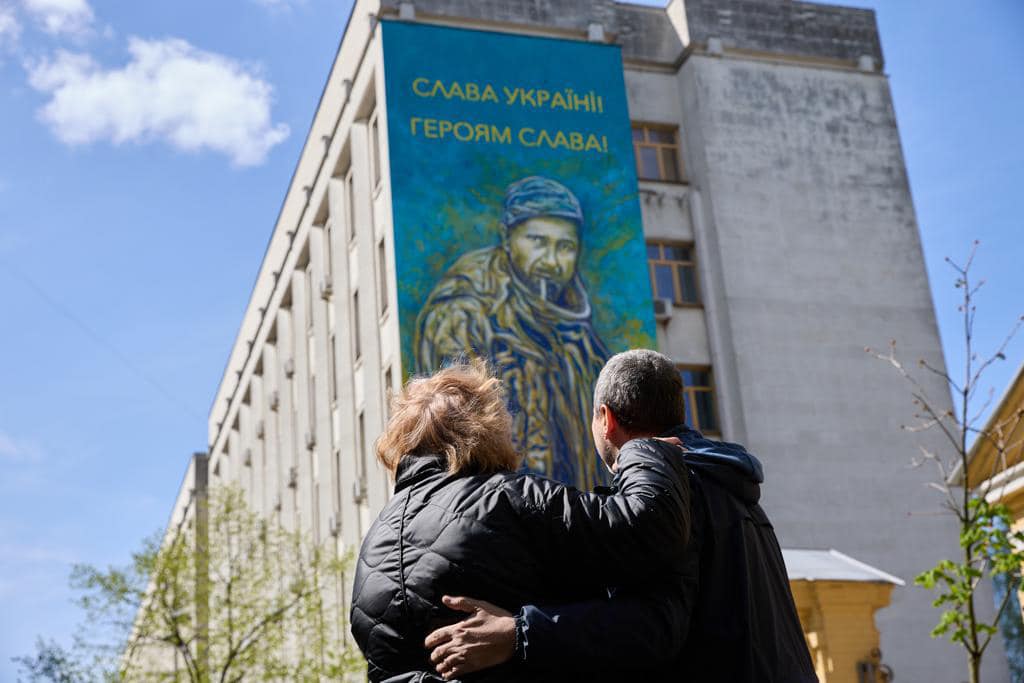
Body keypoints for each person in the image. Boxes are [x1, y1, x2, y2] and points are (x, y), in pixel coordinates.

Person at [425, 349, 818, 683]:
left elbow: (651, 628)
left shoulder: (667, 498)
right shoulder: (734, 486)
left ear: (606, 419)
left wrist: (519, 633)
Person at [349, 359, 694, 682]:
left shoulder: (375, 542)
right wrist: (645, 449)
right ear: (485, 427)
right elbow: (649, 526)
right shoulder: (506, 498)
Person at [414, 175, 608, 490]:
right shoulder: (462, 315)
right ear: (507, 238)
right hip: (501, 507)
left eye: (565, 247)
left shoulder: (578, 332)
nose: (551, 261)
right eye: (538, 242)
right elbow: (457, 436)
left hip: (570, 509)